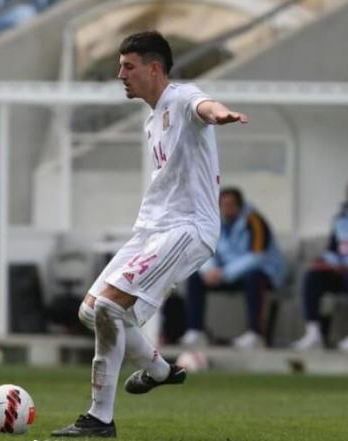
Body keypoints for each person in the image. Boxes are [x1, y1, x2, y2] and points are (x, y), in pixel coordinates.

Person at [51, 31, 248, 438]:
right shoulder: (151, 119)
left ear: (154, 68)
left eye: (129, 67)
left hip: (187, 228)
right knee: (90, 310)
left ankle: (99, 419)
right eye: (120, 66)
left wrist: (220, 113)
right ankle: (158, 369)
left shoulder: (180, 97)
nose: (120, 74)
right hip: (151, 228)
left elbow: (203, 106)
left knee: (108, 308)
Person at [179, 187, 288, 349]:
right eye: (223, 205)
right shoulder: (214, 221)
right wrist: (210, 270)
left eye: (231, 205)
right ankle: (196, 331)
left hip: (264, 273)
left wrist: (224, 273)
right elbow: (206, 249)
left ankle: (255, 334)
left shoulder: (254, 220)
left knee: (254, 277)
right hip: (226, 274)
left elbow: (257, 257)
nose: (226, 208)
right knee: (195, 277)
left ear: (240, 205)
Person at [292, 181, 348, 351]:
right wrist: (328, 261)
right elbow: (334, 248)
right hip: (341, 271)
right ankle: (313, 332)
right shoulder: (341, 218)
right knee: (313, 276)